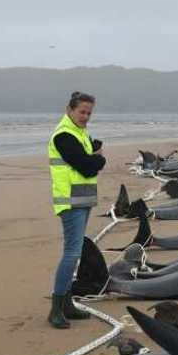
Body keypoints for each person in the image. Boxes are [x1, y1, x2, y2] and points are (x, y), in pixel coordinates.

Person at [47, 91, 105, 328]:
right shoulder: (64, 135)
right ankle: (56, 308)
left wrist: (94, 157)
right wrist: (99, 160)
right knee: (71, 254)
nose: (85, 117)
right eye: (81, 112)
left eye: (89, 113)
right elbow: (87, 166)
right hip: (70, 203)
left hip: (82, 201)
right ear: (69, 110)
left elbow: (88, 159)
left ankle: (67, 303)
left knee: (76, 252)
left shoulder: (80, 133)